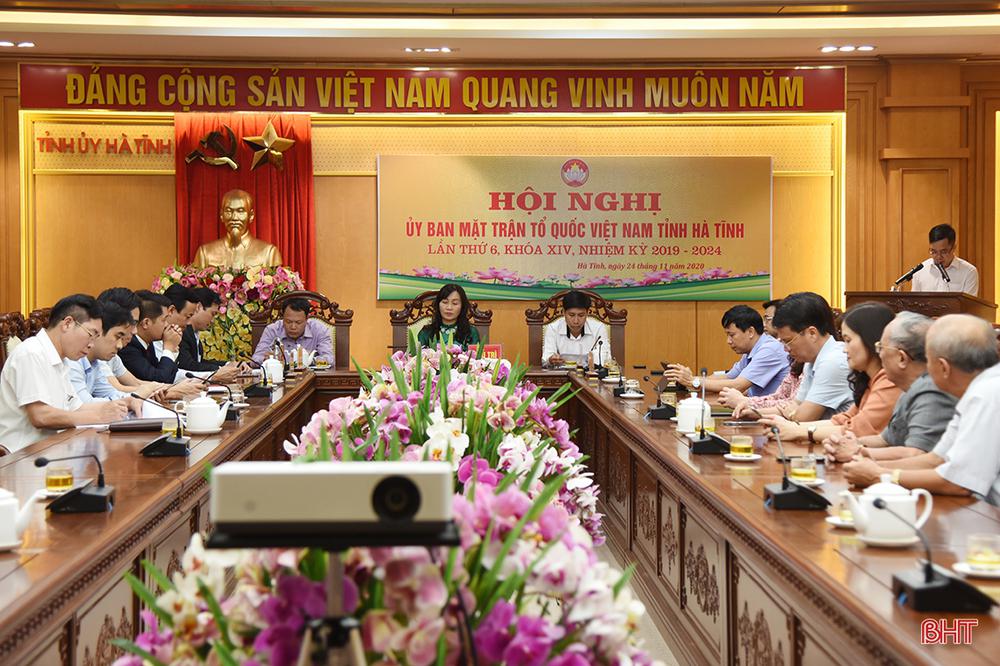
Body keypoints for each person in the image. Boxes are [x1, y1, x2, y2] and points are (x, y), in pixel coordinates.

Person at [843, 314, 1000, 505]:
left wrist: (880, 475)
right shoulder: (977, 389)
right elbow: (935, 460)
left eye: (927, 360)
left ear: (943, 367)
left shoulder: (986, 394)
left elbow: (958, 483)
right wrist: (871, 464)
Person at [0, 294, 129, 452]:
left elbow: (76, 408)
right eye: (91, 335)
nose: (91, 345)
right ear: (67, 323)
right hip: (23, 456)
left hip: (53, 449)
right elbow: (41, 416)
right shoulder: (31, 353)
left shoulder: (62, 360)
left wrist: (122, 405)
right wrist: (99, 416)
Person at [825, 312, 957, 463]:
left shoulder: (931, 390)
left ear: (901, 358)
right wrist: (847, 443)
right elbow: (884, 440)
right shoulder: (910, 388)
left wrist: (858, 452)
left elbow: (917, 454)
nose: (879, 354)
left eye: (880, 347)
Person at [761, 302, 901, 442]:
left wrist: (796, 429)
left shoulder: (889, 380)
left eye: (848, 340)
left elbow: (858, 429)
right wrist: (791, 427)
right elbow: (843, 420)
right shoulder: (869, 380)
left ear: (870, 340)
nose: (844, 349)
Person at [753, 292, 852, 422]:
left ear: (812, 333)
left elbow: (803, 418)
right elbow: (795, 405)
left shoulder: (833, 361)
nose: (785, 349)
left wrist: (793, 413)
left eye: (787, 341)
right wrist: (755, 413)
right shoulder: (812, 360)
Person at [665, 304, 788, 395]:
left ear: (750, 332)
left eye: (732, 335)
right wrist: (688, 380)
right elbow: (729, 377)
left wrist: (693, 381)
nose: (728, 341)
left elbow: (738, 385)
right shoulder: (751, 351)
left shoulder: (769, 350)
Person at [65, 301, 146, 412]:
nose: (120, 345)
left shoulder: (95, 363)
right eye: (117, 337)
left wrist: (134, 398)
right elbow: (83, 406)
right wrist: (139, 395)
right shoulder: (73, 360)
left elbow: (112, 394)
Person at [192, 189, 283, 269]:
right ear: (221, 215)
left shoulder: (269, 253)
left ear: (251, 216)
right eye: (228, 211)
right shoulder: (205, 253)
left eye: (240, 211)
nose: (234, 217)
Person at [119, 290, 185, 383]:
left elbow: (169, 377)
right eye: (164, 320)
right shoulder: (128, 346)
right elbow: (158, 380)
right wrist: (168, 349)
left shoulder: (148, 342)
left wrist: (172, 350)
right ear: (146, 323)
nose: (167, 325)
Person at [177, 287, 241, 381]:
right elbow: (188, 365)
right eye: (213, 314)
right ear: (199, 307)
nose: (213, 320)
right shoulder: (183, 332)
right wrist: (220, 370)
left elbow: (199, 362)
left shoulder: (194, 333)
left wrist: (228, 364)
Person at [252, 298, 333, 365]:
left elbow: (329, 359)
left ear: (307, 319)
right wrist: (266, 359)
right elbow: (255, 359)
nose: (293, 327)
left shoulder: (319, 330)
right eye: (288, 322)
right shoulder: (272, 330)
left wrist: (309, 360)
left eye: (298, 322)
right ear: (283, 317)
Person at [542, 290, 611, 368]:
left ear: (587, 312)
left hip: (589, 373)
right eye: (571, 315)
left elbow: (604, 357)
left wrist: (592, 361)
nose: (576, 321)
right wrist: (551, 360)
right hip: (561, 373)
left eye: (581, 315)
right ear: (564, 312)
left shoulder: (598, 328)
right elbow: (546, 358)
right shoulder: (553, 328)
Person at [910, 223, 979, 296]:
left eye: (943, 252)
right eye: (933, 251)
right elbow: (914, 301)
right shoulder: (920, 271)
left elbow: (967, 303)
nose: (938, 257)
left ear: (953, 248)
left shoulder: (969, 272)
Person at [416, 284, 481, 350]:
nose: (449, 307)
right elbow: (416, 355)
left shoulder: (471, 332)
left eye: (455, 303)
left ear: (462, 306)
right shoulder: (426, 332)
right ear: (438, 305)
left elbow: (476, 355)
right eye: (445, 302)